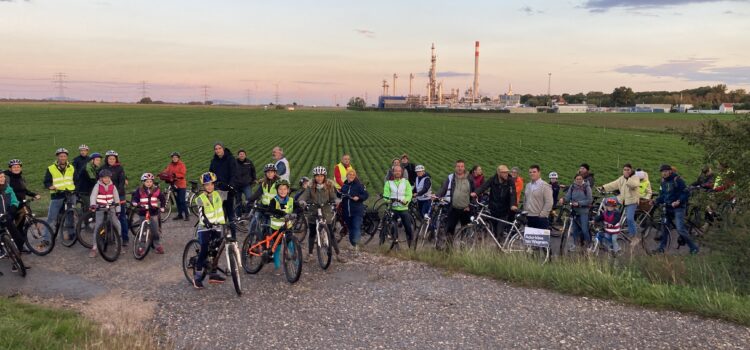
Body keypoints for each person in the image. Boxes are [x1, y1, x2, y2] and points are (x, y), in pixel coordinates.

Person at [297, 166, 345, 263]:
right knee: (312, 234)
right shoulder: (310, 187)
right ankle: (310, 254)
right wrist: (302, 201)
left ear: (324, 176)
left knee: (330, 233)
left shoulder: (329, 186)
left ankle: (338, 254)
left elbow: (333, 196)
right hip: (313, 211)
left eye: (321, 176)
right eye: (317, 176)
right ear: (314, 177)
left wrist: (336, 200)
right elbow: (303, 196)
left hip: (326, 212)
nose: (319, 178)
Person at [652, 164, 699, 254]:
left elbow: (686, 193)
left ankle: (693, 247)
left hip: (679, 208)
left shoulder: (677, 180)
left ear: (670, 171)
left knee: (680, 228)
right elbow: (662, 195)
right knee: (664, 227)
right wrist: (655, 201)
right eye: (662, 172)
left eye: (665, 171)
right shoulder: (663, 182)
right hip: (668, 207)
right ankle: (661, 248)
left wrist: (678, 201)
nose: (664, 173)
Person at [192, 172, 227, 289]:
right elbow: (201, 214)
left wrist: (231, 188)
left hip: (217, 225)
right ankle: (197, 277)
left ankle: (213, 274)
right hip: (204, 227)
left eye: (211, 184)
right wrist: (206, 221)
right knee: (205, 248)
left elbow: (230, 197)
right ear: (203, 186)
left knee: (216, 249)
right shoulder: (199, 199)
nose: (209, 187)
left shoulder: (219, 194)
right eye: (207, 185)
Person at [42, 148, 77, 248]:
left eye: (64, 156)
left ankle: (71, 234)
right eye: (61, 156)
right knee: (52, 218)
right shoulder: (51, 168)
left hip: (70, 194)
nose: (63, 158)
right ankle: (46, 238)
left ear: (67, 157)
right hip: (57, 195)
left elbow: (76, 179)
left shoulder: (71, 167)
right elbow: (46, 181)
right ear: (57, 157)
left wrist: (75, 189)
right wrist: (50, 186)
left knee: (70, 216)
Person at [436, 160, 475, 249]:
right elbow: (443, 188)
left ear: (464, 167)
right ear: (455, 167)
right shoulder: (451, 177)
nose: (460, 168)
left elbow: (474, 193)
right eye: (458, 166)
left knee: (465, 229)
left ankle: (463, 249)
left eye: (461, 166)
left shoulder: (469, 178)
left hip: (466, 209)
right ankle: (449, 249)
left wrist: (470, 205)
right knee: (450, 229)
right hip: (453, 207)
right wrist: (437, 195)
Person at [472, 165, 518, 238]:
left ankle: (500, 247)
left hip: (504, 211)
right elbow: (483, 186)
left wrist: (513, 204)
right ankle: (499, 246)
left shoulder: (510, 181)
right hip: (493, 209)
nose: (506, 174)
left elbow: (513, 193)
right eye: (504, 173)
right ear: (499, 173)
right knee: (494, 232)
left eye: (507, 172)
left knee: (499, 231)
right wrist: (475, 193)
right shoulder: (493, 179)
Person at [600, 163, 641, 243]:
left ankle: (634, 237)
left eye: (628, 170)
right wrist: (603, 187)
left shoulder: (635, 178)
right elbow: (614, 184)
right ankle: (610, 217)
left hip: (632, 201)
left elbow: (634, 185)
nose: (626, 171)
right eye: (624, 170)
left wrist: (628, 177)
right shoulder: (621, 178)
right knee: (606, 201)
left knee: (629, 219)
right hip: (621, 198)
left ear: (631, 170)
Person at [88, 169, 122, 258]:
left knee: (117, 224)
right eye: (104, 178)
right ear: (101, 178)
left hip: (111, 207)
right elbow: (93, 196)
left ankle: (119, 244)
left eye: (108, 178)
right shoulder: (97, 186)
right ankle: (95, 247)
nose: (106, 179)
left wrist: (118, 209)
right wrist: (93, 205)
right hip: (101, 208)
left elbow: (117, 199)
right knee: (98, 226)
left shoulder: (113, 186)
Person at [130, 173, 166, 255]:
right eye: (147, 182)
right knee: (143, 231)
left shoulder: (156, 190)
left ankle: (157, 245)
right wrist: (135, 203)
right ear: (143, 182)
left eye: (150, 181)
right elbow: (135, 198)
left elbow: (162, 198)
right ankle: (141, 247)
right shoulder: (139, 190)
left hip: (153, 212)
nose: (149, 183)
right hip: (143, 212)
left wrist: (162, 207)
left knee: (155, 231)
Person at [209, 142, 239, 236]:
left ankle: (233, 236)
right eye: (216, 149)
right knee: (219, 214)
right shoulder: (214, 161)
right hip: (218, 190)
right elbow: (211, 174)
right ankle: (220, 236)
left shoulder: (230, 159)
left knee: (230, 214)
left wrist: (230, 186)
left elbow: (234, 174)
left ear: (223, 149)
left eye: (219, 148)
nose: (218, 150)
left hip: (228, 190)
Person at [4, 159, 41, 236]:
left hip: (21, 204)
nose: (16, 168)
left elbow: (24, 190)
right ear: (10, 169)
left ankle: (21, 244)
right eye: (14, 167)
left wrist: (34, 194)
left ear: (21, 168)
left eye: (18, 167)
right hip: (12, 204)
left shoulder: (21, 178)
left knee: (20, 226)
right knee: (9, 224)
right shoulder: (7, 178)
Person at [101, 150, 129, 247]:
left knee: (121, 216)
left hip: (119, 195)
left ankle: (125, 238)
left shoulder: (119, 168)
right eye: (109, 158)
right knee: (107, 217)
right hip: (106, 195)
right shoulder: (103, 168)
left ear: (116, 159)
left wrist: (115, 193)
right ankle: (109, 237)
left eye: (113, 159)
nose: (111, 160)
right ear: (106, 159)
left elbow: (121, 182)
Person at [559, 174, 592, 251]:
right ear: (575, 180)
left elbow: (589, 200)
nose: (578, 180)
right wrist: (563, 199)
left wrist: (579, 203)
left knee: (584, 229)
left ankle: (589, 244)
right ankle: (575, 245)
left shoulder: (587, 187)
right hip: (574, 212)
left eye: (580, 179)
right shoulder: (572, 187)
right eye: (577, 179)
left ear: (583, 179)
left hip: (583, 212)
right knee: (575, 230)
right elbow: (568, 197)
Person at [383, 165, 414, 247]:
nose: (397, 172)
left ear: (401, 173)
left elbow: (409, 194)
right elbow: (385, 195)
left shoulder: (406, 182)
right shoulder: (388, 183)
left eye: (399, 171)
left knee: (408, 226)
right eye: (396, 171)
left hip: (403, 208)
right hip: (393, 208)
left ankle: (410, 241)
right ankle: (392, 240)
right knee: (390, 224)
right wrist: (389, 200)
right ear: (393, 172)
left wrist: (406, 201)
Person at [267, 179, 294, 271]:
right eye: (280, 189)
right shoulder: (274, 201)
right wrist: (282, 214)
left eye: (285, 189)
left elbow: (297, 208)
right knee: (277, 246)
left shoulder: (291, 200)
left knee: (291, 244)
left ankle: (296, 262)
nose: (282, 191)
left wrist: (298, 211)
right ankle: (277, 265)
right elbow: (272, 210)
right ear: (277, 191)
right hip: (276, 228)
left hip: (287, 227)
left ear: (288, 190)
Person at [248, 164, 280, 239]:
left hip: (273, 209)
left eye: (272, 172)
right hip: (263, 207)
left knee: (267, 228)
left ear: (275, 173)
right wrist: (249, 200)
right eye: (268, 172)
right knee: (254, 223)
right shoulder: (263, 183)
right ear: (265, 173)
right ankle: (252, 240)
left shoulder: (279, 183)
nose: (270, 174)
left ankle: (264, 241)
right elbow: (257, 193)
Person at [340, 169, 369, 253]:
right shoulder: (344, 186)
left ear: (355, 176)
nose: (351, 176)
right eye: (350, 174)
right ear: (347, 176)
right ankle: (354, 244)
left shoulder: (359, 185)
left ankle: (356, 246)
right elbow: (341, 195)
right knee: (350, 229)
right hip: (346, 212)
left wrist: (359, 197)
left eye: (353, 175)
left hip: (357, 211)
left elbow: (366, 195)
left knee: (356, 227)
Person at [0, 171, 26, 261]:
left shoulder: (8, 188)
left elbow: (14, 201)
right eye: (0, 177)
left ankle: (18, 260)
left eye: (3, 177)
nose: (2, 179)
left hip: (7, 216)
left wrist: (12, 209)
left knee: (18, 238)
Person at [524, 165, 553, 229]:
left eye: (534, 172)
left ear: (539, 173)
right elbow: (525, 200)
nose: (532, 174)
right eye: (530, 172)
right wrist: (525, 211)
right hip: (529, 216)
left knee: (540, 238)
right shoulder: (528, 185)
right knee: (529, 238)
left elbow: (549, 202)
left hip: (540, 218)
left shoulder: (545, 186)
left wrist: (542, 215)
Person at [162, 152, 189, 221]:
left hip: (181, 185)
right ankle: (180, 215)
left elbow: (183, 174)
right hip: (174, 185)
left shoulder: (181, 164)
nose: (174, 158)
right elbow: (166, 171)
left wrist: (175, 175)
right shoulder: (170, 165)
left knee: (182, 200)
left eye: (176, 157)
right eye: (173, 157)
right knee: (177, 201)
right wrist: (162, 174)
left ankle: (187, 215)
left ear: (178, 158)